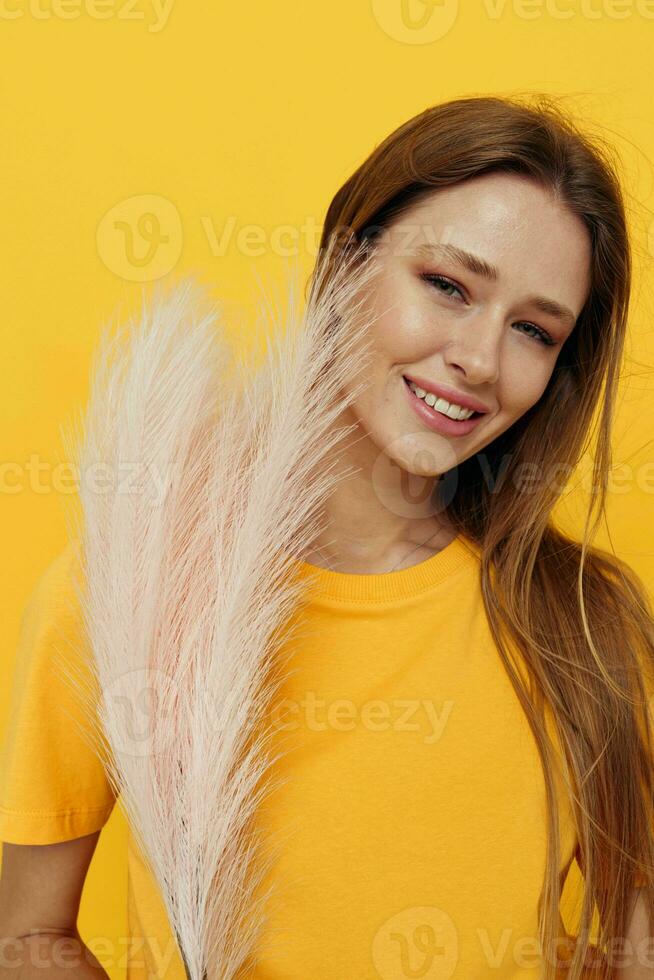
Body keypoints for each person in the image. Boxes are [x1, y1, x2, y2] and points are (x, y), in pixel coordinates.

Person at [2, 93, 654, 980]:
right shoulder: (125, 588)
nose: (480, 360)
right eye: (449, 286)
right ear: (345, 264)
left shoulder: (589, 628)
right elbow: (25, 933)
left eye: (534, 331)